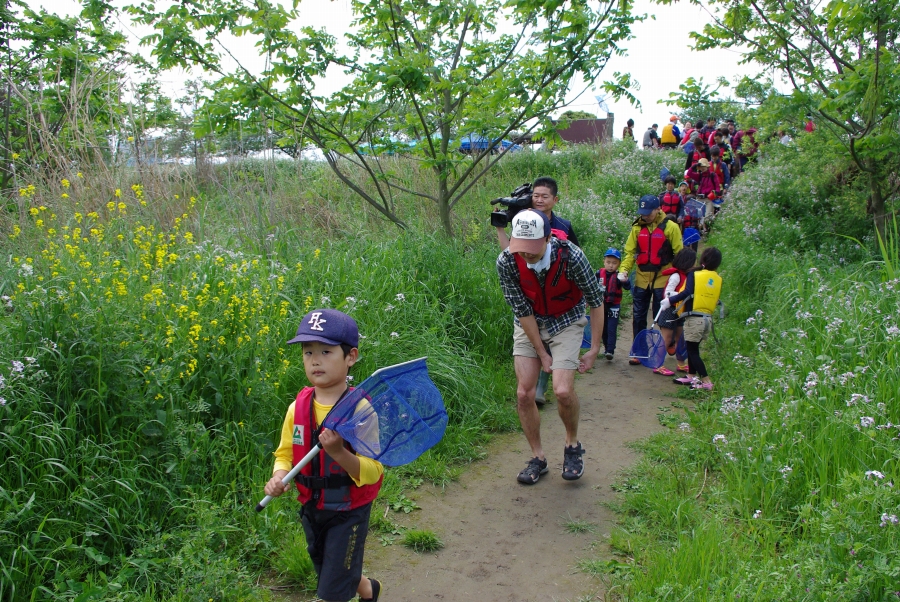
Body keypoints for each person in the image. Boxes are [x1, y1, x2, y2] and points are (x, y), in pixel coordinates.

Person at [265, 309, 383, 602]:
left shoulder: (360, 411)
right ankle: (369, 590)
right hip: (312, 508)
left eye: (326, 351)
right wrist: (279, 477)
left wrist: (338, 452)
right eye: (308, 353)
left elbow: (373, 470)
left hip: (348, 512)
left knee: (331, 591)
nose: (315, 360)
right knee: (331, 570)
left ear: (350, 356)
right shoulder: (297, 408)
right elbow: (284, 455)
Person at [496, 209, 605, 484]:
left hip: (566, 320)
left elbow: (595, 300)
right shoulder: (507, 261)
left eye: (532, 248)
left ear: (547, 238)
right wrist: (542, 353)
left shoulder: (571, 256)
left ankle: (572, 445)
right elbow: (522, 310)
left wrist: (594, 348)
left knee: (563, 390)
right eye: (521, 248)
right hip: (529, 324)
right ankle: (538, 457)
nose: (526, 254)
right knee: (524, 393)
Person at [495, 176, 579, 406]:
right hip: (529, 289)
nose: (539, 200)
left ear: (555, 199)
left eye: (544, 196)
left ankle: (548, 382)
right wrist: (500, 228)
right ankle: (539, 385)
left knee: (554, 336)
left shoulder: (564, 226)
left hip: (556, 293)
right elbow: (513, 253)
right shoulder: (522, 222)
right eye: (536, 196)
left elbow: (573, 257)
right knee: (534, 335)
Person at [618, 195, 683, 365]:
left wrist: (680, 278)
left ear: (658, 209)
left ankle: (664, 346)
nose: (645, 216)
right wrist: (624, 270)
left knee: (661, 315)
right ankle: (639, 351)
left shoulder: (671, 228)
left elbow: (680, 255)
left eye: (648, 213)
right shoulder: (637, 229)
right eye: (642, 212)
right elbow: (630, 253)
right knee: (638, 315)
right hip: (641, 278)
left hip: (663, 278)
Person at [664, 246, 723, 390]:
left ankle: (706, 381)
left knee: (692, 351)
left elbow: (687, 292)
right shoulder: (716, 278)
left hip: (694, 319)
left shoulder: (694, 275)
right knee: (693, 347)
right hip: (707, 319)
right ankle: (691, 376)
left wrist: (669, 301)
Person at [653, 247, 696, 376]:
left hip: (679, 311)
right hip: (669, 310)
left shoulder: (688, 276)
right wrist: (683, 295)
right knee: (666, 338)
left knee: (680, 337)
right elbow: (667, 293)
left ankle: (681, 363)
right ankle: (658, 365)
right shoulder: (676, 276)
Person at [596, 248, 630, 360]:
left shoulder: (619, 276)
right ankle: (606, 348)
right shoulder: (598, 274)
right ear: (604, 262)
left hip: (614, 306)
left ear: (619, 264)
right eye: (608, 262)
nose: (611, 265)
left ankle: (610, 350)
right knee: (603, 328)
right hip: (601, 306)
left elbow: (628, 287)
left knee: (611, 328)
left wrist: (625, 280)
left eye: (614, 263)